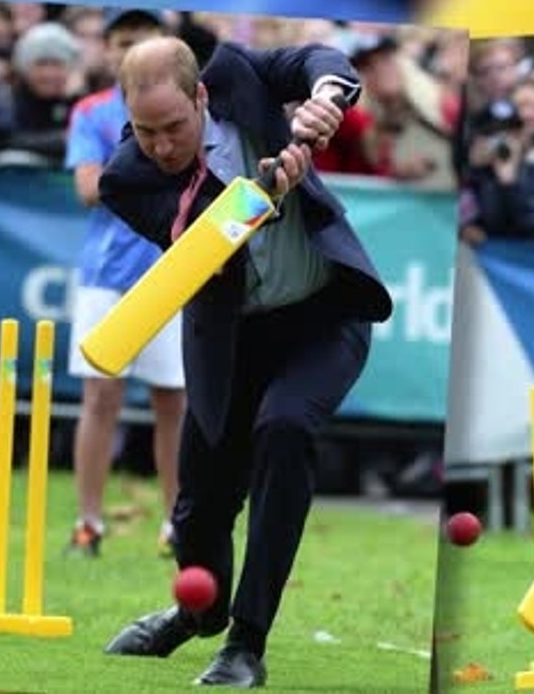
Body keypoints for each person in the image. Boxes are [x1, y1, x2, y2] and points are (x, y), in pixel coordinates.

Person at [95, 35, 392, 689]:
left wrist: (323, 100)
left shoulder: (238, 73)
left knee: (284, 429)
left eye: (173, 126)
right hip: (230, 339)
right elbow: (204, 238)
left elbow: (321, 59)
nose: (162, 145)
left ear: (201, 95)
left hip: (323, 317)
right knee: (200, 511)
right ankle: (194, 617)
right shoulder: (127, 177)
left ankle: (245, 645)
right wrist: (262, 187)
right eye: (145, 131)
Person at [64, 8, 183, 559]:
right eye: (120, 40)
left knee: (174, 401)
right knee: (100, 395)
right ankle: (89, 524)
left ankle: (177, 525)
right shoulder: (92, 111)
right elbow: (90, 188)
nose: (128, 49)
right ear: (108, 50)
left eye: (141, 39)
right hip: (107, 274)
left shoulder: (186, 109)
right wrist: (156, 157)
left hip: (173, 272)